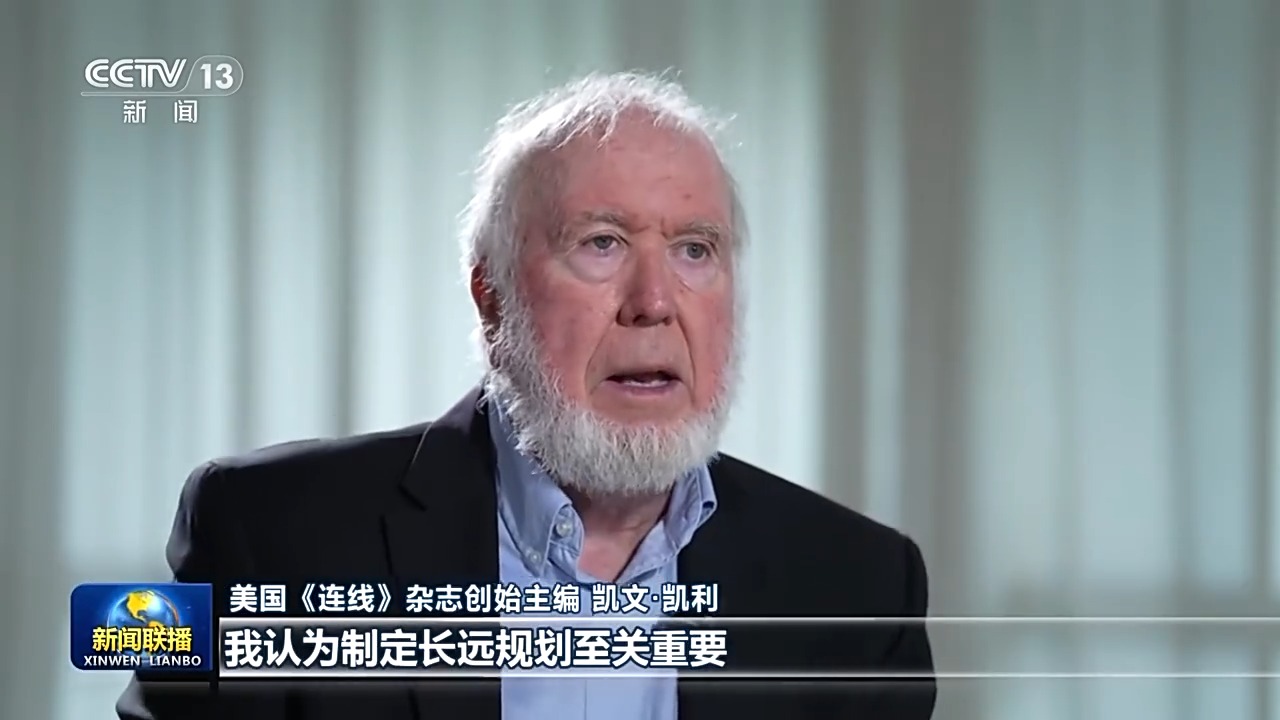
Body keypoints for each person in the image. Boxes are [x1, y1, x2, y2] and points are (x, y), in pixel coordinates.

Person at [117, 71, 935, 720]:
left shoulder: (860, 590)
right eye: (602, 243)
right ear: (492, 296)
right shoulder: (264, 534)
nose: (654, 301)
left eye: (695, 250)